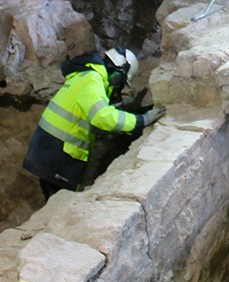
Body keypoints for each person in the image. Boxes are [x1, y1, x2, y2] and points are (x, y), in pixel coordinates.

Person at [21, 46, 165, 199]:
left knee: (58, 198)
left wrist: (116, 99)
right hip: (58, 152)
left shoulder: (87, 75)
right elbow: (101, 116)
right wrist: (140, 121)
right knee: (62, 200)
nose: (120, 87)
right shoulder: (92, 80)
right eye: (122, 82)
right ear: (118, 74)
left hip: (50, 148)